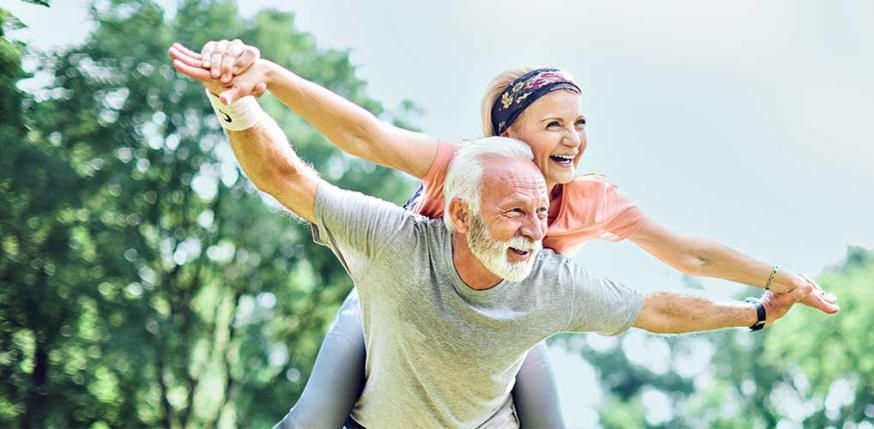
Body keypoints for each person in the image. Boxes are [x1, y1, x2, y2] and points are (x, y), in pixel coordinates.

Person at [169, 40, 839, 428]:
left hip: (511, 317)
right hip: (401, 306)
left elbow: (685, 256)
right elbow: (363, 137)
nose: (572, 138)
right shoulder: (464, 168)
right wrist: (270, 82)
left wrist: (771, 290)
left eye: (580, 122)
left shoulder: (587, 198)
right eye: (554, 125)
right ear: (507, 136)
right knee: (314, 419)